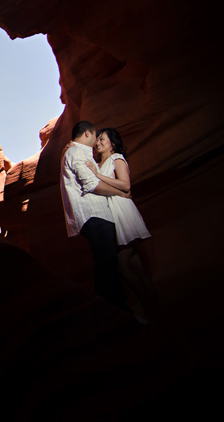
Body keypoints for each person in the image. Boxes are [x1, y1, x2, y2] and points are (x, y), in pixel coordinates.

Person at [85, 128, 161, 322]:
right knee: (137, 265)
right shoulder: (99, 163)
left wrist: (97, 175)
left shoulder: (117, 159)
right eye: (98, 140)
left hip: (121, 210)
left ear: (113, 143)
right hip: (113, 210)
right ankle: (156, 310)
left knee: (122, 264)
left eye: (102, 139)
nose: (98, 143)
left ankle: (150, 311)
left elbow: (126, 185)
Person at [60, 121, 131, 311]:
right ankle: (113, 309)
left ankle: (115, 308)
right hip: (95, 214)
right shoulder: (78, 153)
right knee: (107, 264)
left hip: (98, 215)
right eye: (96, 136)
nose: (97, 140)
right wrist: (120, 193)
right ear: (87, 134)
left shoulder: (77, 152)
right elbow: (91, 184)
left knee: (108, 263)